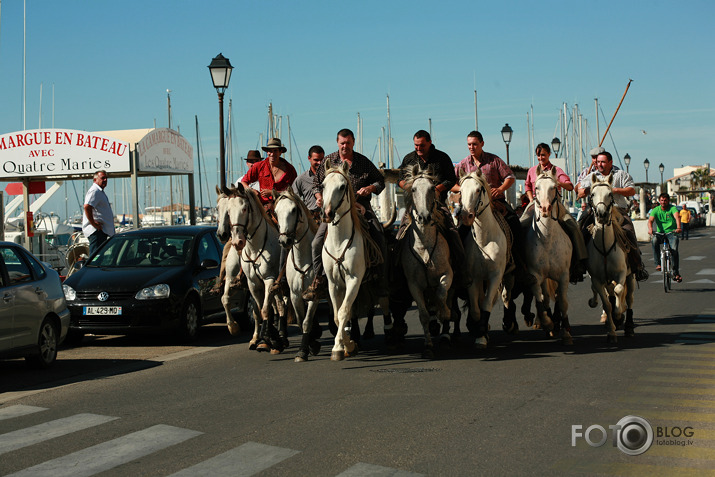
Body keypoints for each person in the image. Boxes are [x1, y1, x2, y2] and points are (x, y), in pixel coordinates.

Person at [303, 129, 386, 300]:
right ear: (337, 142)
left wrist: (370, 188)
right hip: (333, 210)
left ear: (353, 142)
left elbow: (380, 181)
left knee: (379, 236)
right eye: (342, 143)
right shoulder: (329, 161)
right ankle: (318, 280)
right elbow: (317, 184)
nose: (344, 146)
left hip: (361, 206)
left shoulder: (363, 162)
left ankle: (381, 279)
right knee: (317, 242)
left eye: (348, 143)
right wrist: (319, 198)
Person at [395, 130, 470, 288]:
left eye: (422, 145)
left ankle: (462, 270)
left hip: (438, 204)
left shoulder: (442, 158)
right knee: (400, 234)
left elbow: (451, 179)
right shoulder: (409, 158)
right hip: (415, 205)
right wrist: (410, 187)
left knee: (452, 232)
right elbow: (400, 179)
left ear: (429, 142)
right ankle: (396, 274)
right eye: (416, 145)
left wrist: (437, 189)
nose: (418, 148)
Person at [452, 130, 524, 276]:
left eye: (474, 144)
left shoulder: (494, 160)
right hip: (470, 205)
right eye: (469, 144)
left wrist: (500, 188)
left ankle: (519, 265)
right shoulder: (463, 164)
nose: (471, 147)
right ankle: (459, 270)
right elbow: (451, 183)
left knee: (515, 224)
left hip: (496, 203)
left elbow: (510, 176)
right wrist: (464, 189)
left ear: (482, 144)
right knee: (457, 232)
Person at [520, 143, 588, 283]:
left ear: (549, 154)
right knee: (520, 225)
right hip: (536, 204)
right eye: (538, 155)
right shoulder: (532, 171)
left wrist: (558, 182)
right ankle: (519, 264)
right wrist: (531, 199)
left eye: (543, 155)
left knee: (573, 227)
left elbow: (569, 186)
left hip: (556, 205)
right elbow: (527, 186)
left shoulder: (557, 170)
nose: (540, 158)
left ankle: (580, 262)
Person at [579, 151, 649, 281]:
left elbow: (631, 190)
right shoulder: (592, 176)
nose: (600, 164)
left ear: (610, 162)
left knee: (629, 231)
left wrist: (614, 190)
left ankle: (637, 265)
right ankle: (579, 265)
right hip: (595, 211)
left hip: (618, 210)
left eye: (603, 162)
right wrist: (590, 189)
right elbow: (580, 192)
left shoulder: (621, 175)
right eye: (598, 162)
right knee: (581, 228)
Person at [241, 138, 297, 211]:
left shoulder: (290, 169)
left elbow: (294, 192)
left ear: (280, 152)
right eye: (270, 151)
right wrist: (251, 190)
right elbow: (243, 182)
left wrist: (273, 193)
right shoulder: (259, 166)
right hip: (263, 208)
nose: (272, 154)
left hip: (284, 207)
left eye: (275, 151)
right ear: (267, 152)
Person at [648, 193, 683, 282]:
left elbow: (677, 217)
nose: (663, 202)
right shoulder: (656, 210)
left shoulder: (672, 208)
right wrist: (650, 229)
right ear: (659, 201)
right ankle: (658, 264)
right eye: (662, 200)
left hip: (672, 233)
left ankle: (676, 272)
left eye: (665, 200)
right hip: (660, 233)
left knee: (674, 250)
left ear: (668, 201)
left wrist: (678, 227)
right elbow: (650, 220)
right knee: (654, 241)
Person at [83, 170, 115, 256]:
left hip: (101, 231)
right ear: (95, 180)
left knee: (99, 256)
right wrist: (93, 223)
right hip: (97, 232)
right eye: (102, 178)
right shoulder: (95, 191)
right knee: (95, 257)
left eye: (106, 178)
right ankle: (92, 270)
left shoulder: (99, 191)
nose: (105, 180)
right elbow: (87, 206)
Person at [292, 145, 325, 221]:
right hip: (309, 218)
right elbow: (294, 198)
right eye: (316, 160)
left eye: (322, 160)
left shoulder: (329, 177)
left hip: (327, 216)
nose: (319, 163)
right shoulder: (301, 179)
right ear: (309, 158)